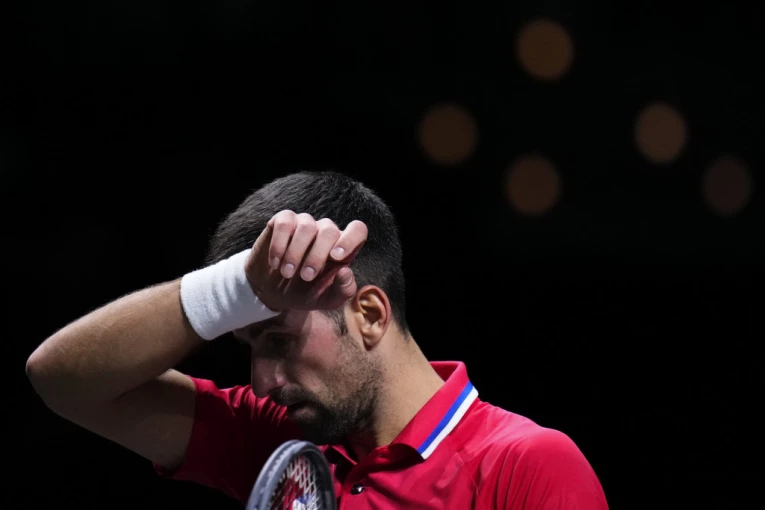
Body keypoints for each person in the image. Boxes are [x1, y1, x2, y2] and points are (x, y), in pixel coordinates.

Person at [26, 171, 608, 509]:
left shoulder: (525, 466)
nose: (261, 382)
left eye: (279, 340)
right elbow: (63, 381)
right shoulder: (278, 441)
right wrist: (237, 288)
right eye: (248, 345)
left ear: (370, 316)